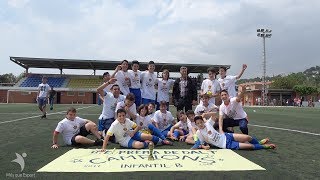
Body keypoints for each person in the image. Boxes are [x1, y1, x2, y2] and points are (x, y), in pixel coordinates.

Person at [101, 109, 171, 150]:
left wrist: (133, 132)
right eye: (120, 116)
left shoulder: (128, 120)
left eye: (123, 115)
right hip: (124, 140)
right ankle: (147, 143)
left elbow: (137, 127)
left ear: (125, 115)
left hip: (132, 134)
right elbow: (107, 136)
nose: (122, 117)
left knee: (148, 136)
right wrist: (103, 148)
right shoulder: (114, 125)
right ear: (117, 116)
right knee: (139, 145)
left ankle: (162, 141)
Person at [194, 116, 276, 150]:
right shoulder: (199, 132)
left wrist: (205, 116)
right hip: (225, 145)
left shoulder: (208, 123)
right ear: (196, 125)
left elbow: (215, 115)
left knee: (247, 137)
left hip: (226, 136)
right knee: (250, 146)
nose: (200, 124)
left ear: (203, 121)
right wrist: (204, 147)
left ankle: (259, 142)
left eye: (201, 122)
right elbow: (200, 143)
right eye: (197, 123)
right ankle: (264, 146)